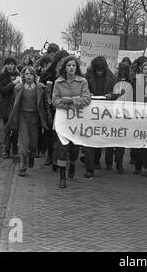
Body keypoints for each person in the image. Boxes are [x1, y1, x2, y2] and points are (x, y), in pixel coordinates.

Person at [52, 56, 91, 188]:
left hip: (77, 120)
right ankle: (62, 177)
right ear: (65, 68)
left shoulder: (83, 81)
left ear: (77, 67)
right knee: (62, 149)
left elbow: (87, 100)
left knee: (74, 150)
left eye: (73, 65)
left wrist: (71, 99)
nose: (71, 68)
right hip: (63, 119)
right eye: (69, 65)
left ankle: (73, 163)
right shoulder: (58, 82)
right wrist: (66, 104)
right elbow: (55, 100)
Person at [5, 67, 52, 177]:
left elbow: (46, 103)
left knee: (33, 143)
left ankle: (31, 155)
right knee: (24, 143)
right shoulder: (18, 88)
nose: (29, 76)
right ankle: (23, 166)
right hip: (23, 117)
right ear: (23, 76)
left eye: (31, 74)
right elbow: (13, 103)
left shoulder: (40, 87)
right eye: (26, 74)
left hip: (35, 118)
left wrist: (48, 117)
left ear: (35, 76)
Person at [84, 56, 117, 177]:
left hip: (104, 111)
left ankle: (96, 160)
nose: (99, 72)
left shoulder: (112, 78)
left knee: (99, 138)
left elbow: (118, 93)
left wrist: (111, 96)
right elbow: (82, 90)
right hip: (90, 110)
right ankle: (89, 167)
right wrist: (87, 94)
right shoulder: (86, 77)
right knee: (90, 139)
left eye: (101, 70)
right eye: (97, 70)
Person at [39, 49, 70, 170]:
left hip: (63, 106)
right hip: (49, 106)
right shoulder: (50, 71)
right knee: (49, 132)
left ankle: (60, 156)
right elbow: (41, 83)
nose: (63, 63)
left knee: (60, 132)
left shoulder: (68, 72)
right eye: (61, 60)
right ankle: (50, 155)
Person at [110, 62, 133, 174]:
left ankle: (118, 162)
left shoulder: (131, 83)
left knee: (120, 139)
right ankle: (112, 162)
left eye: (125, 70)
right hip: (114, 112)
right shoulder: (114, 80)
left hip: (124, 113)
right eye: (121, 70)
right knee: (113, 138)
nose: (123, 72)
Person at [0, 57, 20, 159]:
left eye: (12, 64)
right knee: (7, 129)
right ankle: (6, 151)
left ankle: (15, 150)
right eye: (8, 64)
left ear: (15, 65)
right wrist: (13, 84)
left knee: (15, 130)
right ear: (5, 65)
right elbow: (2, 90)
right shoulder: (2, 76)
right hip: (5, 106)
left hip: (15, 106)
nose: (10, 66)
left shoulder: (19, 76)